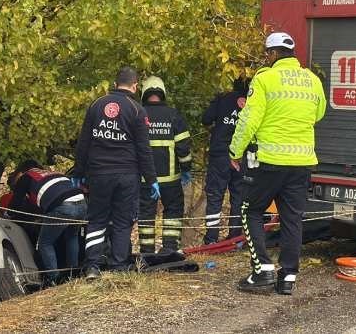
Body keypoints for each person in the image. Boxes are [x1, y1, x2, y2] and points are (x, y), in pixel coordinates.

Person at [229, 32, 326, 295]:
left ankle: (262, 269)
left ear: (272, 54)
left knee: (251, 210)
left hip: (270, 161)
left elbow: (249, 120)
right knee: (292, 218)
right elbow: (319, 113)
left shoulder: (265, 79)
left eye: (267, 54)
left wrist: (235, 151)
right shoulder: (312, 80)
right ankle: (288, 277)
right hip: (303, 162)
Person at [71, 66, 158, 280]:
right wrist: (152, 179)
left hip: (99, 174)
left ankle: (92, 266)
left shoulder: (96, 105)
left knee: (96, 220)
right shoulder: (137, 110)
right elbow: (143, 149)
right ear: (135, 86)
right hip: (127, 175)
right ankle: (119, 266)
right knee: (122, 221)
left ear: (115, 83)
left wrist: (78, 170)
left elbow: (84, 142)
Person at [8, 161, 86, 286]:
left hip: (63, 207)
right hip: (81, 203)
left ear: (21, 172)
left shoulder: (26, 176)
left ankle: (53, 278)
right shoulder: (52, 173)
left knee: (45, 243)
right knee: (72, 236)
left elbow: (16, 204)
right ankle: (73, 272)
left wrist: (9, 214)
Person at [137, 76, 192, 254]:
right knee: (173, 212)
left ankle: (146, 252)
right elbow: (183, 147)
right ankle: (169, 249)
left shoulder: (138, 113)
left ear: (144, 93)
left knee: (146, 215)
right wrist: (186, 170)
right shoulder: (173, 115)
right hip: (171, 180)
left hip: (145, 179)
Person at [201, 75, 251, 244]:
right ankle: (236, 239)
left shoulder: (223, 99)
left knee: (215, 196)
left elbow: (206, 119)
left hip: (220, 156)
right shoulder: (254, 102)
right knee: (239, 197)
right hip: (242, 157)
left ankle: (211, 239)